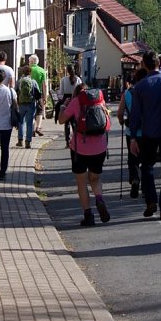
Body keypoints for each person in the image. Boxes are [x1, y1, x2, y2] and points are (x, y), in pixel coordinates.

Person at [129, 51, 161, 221]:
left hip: (149, 132)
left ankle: (151, 200)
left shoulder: (140, 86)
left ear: (145, 65)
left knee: (146, 166)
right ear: (160, 63)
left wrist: (133, 136)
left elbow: (135, 115)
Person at [59, 83, 112, 226]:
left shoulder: (76, 101)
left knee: (81, 182)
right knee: (95, 178)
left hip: (79, 149)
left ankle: (88, 215)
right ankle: (99, 198)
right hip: (100, 147)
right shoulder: (99, 100)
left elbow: (61, 120)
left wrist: (64, 106)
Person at [117, 67, 149, 198]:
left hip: (132, 131)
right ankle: (147, 185)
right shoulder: (149, 91)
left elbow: (119, 112)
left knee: (133, 158)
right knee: (147, 159)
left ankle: (135, 179)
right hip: (148, 130)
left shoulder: (128, 92)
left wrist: (121, 121)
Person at [16, 64, 40, 148]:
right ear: (30, 73)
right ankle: (28, 142)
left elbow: (16, 91)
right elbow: (38, 93)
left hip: (21, 104)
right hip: (31, 103)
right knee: (29, 123)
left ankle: (20, 140)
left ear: (23, 72)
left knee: (21, 122)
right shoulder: (33, 82)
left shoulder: (19, 81)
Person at [56, 64, 82, 143]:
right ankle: (76, 139)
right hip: (75, 99)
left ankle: (67, 140)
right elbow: (81, 89)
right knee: (74, 121)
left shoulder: (63, 79)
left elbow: (61, 92)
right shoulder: (77, 79)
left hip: (66, 100)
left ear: (67, 70)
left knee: (66, 121)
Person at [29, 54, 48, 137]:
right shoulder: (42, 70)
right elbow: (45, 85)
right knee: (39, 111)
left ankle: (32, 129)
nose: (29, 63)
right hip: (39, 94)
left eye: (29, 61)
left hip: (29, 94)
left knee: (31, 112)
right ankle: (38, 127)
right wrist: (45, 96)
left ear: (32, 61)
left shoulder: (28, 70)